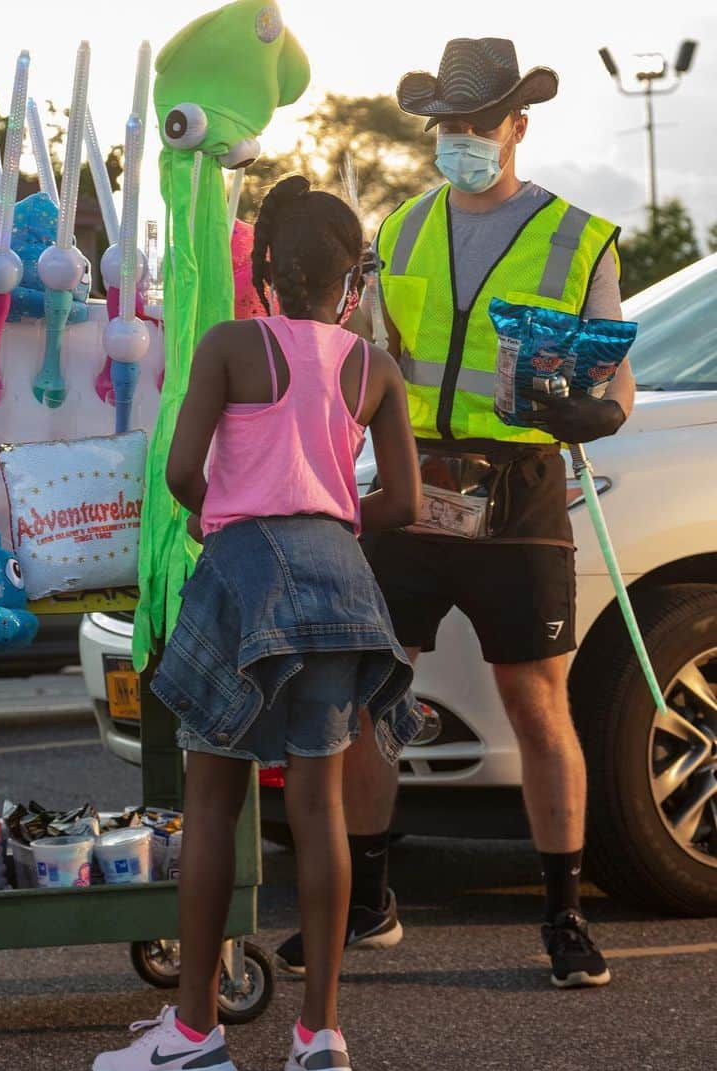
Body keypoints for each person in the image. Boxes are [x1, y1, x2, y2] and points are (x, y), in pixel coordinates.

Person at [275, 37, 635, 990]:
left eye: (480, 123)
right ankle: (369, 905)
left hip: (519, 492)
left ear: (519, 123)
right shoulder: (394, 232)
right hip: (406, 487)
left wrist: (594, 410)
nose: (463, 140)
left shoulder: (579, 236)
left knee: (538, 704)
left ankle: (563, 917)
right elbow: (354, 356)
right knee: (370, 702)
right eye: (450, 126)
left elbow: (618, 386)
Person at [92, 175, 423, 1071]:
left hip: (244, 582)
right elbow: (405, 500)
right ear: (349, 281)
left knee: (213, 805)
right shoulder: (373, 366)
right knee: (318, 810)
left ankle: (195, 1034)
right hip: (343, 589)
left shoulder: (233, 344)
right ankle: (321, 1040)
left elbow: (182, 473)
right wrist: (332, 521)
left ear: (266, 264)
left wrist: (223, 513)